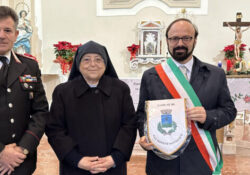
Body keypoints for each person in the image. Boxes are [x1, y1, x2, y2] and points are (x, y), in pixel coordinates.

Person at [137, 18, 237, 175]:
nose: (180, 43)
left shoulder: (215, 75)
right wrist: (145, 136)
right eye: (174, 38)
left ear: (195, 40)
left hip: (200, 160)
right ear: (167, 41)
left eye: (186, 38)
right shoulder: (151, 75)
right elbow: (142, 114)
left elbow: (229, 111)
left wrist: (208, 116)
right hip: (162, 161)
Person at [46, 40, 137, 175]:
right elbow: (55, 129)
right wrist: (76, 159)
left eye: (98, 59)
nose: (93, 64)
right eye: (86, 60)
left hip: (112, 167)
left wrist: (115, 158)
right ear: (78, 64)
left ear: (105, 64)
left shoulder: (120, 89)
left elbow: (129, 125)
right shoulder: (63, 92)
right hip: (75, 167)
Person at [0, 6, 48, 175]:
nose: (1, 35)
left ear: (16, 35)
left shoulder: (29, 66)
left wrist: (23, 149)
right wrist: (2, 152)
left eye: (7, 30)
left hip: (22, 161)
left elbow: (40, 111)